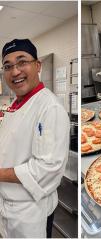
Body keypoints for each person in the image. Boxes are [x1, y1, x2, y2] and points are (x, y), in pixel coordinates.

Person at [0, 39, 69, 237]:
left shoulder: (49, 107)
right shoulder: (17, 103)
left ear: (37, 66)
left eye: (22, 62)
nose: (15, 72)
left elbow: (47, 168)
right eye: (8, 66)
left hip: (30, 214)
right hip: (8, 207)